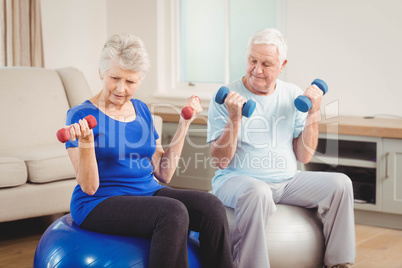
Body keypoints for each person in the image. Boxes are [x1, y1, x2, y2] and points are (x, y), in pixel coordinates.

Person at [64, 33, 233, 268]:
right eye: (115, 78)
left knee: (211, 206)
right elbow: (89, 187)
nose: (121, 89)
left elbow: (164, 174)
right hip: (99, 202)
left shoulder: (141, 110)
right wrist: (86, 142)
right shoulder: (80, 115)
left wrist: (185, 123)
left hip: (147, 192)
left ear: (140, 80)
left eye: (130, 82)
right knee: (172, 212)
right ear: (101, 72)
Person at [207, 28, 356, 268]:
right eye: (252, 60)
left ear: (282, 64)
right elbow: (220, 162)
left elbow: (304, 155)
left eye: (266, 63)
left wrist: (313, 112)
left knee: (341, 184)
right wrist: (234, 119)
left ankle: (340, 263)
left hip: (287, 182)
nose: (257, 70)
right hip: (236, 180)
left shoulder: (293, 94)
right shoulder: (227, 97)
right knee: (257, 191)